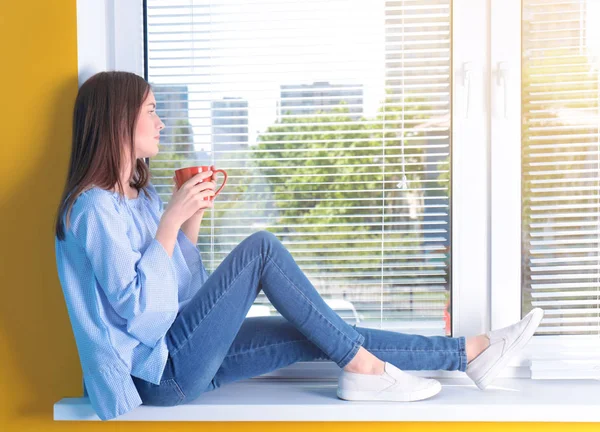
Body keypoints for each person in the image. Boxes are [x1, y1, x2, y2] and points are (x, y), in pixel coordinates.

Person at [54, 71, 544, 421]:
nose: (161, 122)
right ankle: (367, 370)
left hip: (177, 350)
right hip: (155, 376)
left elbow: (183, 294)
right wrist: (171, 221)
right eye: (151, 111)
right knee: (262, 249)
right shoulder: (92, 209)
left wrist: (190, 221)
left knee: (322, 331)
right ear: (119, 120)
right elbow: (142, 315)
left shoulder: (143, 198)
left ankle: (468, 353)